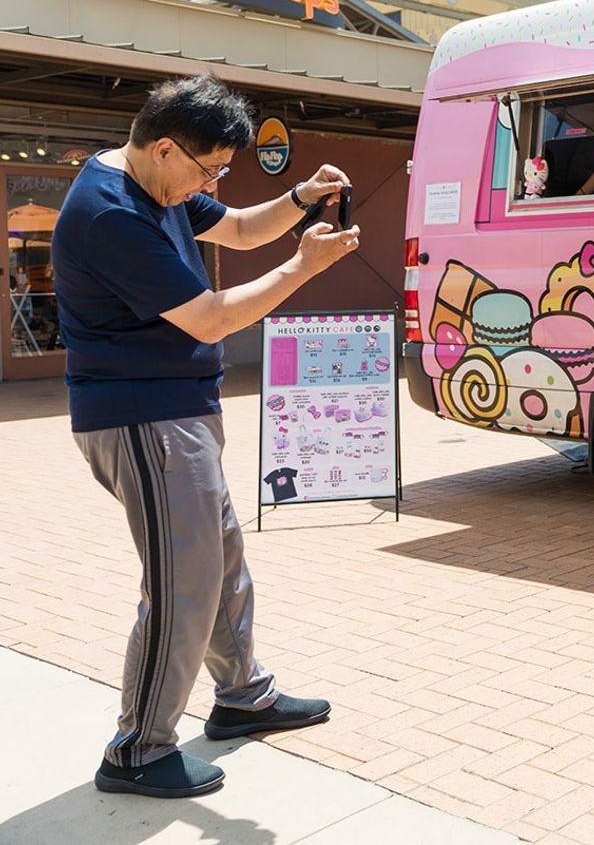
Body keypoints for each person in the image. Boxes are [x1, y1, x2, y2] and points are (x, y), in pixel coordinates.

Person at [52, 74, 361, 798]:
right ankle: (137, 749)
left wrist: (300, 198)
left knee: (218, 561)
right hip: (141, 418)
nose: (213, 182)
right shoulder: (111, 214)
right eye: (208, 169)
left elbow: (243, 228)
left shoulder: (152, 177)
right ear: (164, 147)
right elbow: (212, 316)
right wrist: (303, 266)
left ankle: (241, 696)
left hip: (178, 411)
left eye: (221, 170)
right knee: (181, 584)